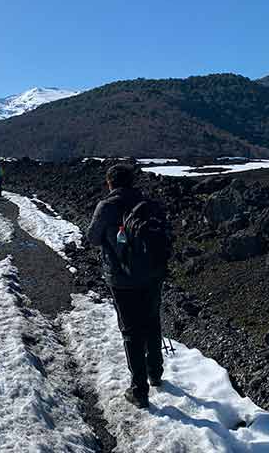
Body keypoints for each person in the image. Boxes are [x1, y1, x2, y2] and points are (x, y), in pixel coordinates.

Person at [87, 164, 168, 409]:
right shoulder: (147, 204)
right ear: (132, 181)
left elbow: (92, 238)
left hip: (122, 278)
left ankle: (139, 390)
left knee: (131, 331)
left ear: (110, 183)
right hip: (153, 274)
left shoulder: (107, 206)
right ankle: (155, 373)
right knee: (152, 321)